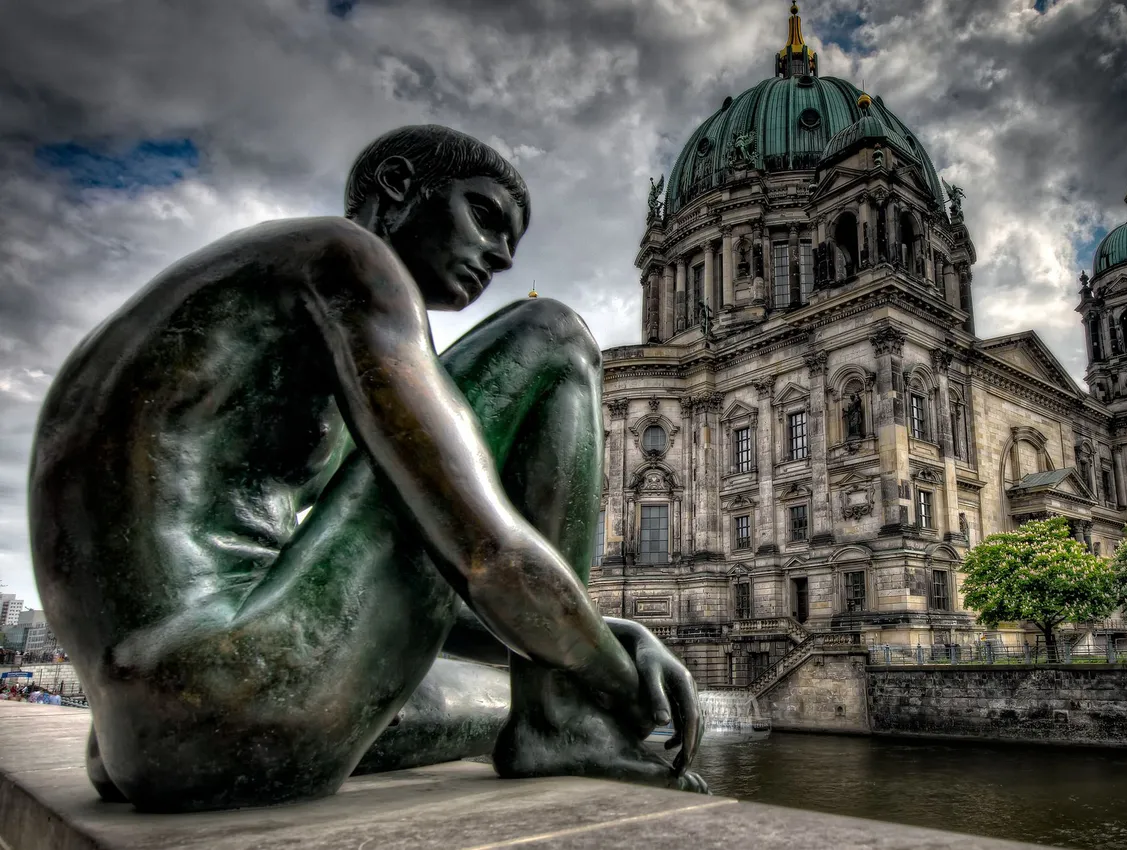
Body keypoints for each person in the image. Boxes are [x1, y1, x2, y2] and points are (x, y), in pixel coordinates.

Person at [29, 124, 705, 813]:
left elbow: (393, 589)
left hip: (152, 732)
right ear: (399, 185)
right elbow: (483, 551)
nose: (501, 258)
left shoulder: (263, 303)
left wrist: (602, 636)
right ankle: (560, 723)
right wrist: (606, 674)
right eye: (486, 216)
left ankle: (546, 711)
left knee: (486, 699)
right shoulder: (348, 259)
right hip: (234, 686)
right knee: (552, 333)